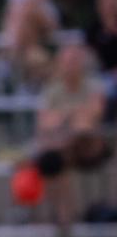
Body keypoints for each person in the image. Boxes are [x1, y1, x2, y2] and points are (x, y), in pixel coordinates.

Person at [36, 42, 108, 226]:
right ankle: (65, 216)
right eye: (67, 62)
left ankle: (68, 216)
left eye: (74, 62)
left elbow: (92, 116)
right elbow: (45, 122)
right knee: (56, 157)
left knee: (78, 134)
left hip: (89, 148)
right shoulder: (52, 91)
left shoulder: (93, 86)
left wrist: (64, 117)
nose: (70, 67)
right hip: (64, 148)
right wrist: (73, 116)